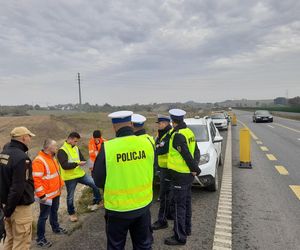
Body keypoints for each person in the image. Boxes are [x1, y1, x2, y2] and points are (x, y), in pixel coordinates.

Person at [93, 111, 154, 250]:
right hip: (143, 206)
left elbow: (98, 180)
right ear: (131, 124)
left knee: (116, 246)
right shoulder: (147, 143)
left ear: (114, 127)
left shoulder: (108, 147)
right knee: (144, 245)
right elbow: (152, 167)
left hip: (117, 209)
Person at [164, 109, 201, 246]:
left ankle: (180, 237)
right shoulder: (189, 132)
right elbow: (196, 151)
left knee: (179, 206)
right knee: (186, 203)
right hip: (187, 176)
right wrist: (193, 169)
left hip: (180, 176)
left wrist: (195, 170)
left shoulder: (178, 135)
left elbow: (186, 154)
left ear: (172, 121)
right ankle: (187, 229)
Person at [0, 126, 35, 250]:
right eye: (29, 136)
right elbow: (18, 187)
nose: (30, 138)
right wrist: (9, 210)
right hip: (18, 208)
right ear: (23, 137)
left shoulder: (3, 153)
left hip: (6, 204)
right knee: (21, 242)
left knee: (9, 240)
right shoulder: (21, 158)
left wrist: (5, 208)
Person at [57, 132, 102, 222]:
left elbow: (82, 159)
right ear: (69, 139)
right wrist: (77, 163)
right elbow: (64, 165)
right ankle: (71, 213)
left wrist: (85, 162)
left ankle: (98, 201)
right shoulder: (62, 150)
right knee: (70, 196)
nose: (76, 143)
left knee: (95, 184)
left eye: (77, 141)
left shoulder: (76, 148)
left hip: (80, 174)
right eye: (75, 141)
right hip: (70, 177)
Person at [32, 139, 67, 248]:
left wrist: (61, 184)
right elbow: (36, 180)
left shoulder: (52, 158)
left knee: (54, 211)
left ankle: (56, 228)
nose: (57, 148)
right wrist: (42, 195)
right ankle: (40, 238)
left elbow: (56, 174)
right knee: (43, 216)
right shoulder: (39, 160)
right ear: (48, 147)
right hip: (46, 196)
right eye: (55, 146)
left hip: (55, 192)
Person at [151, 114, 173, 230]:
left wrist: (158, 146)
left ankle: (162, 220)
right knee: (169, 194)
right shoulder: (162, 133)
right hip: (163, 168)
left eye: (159, 123)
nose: (158, 125)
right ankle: (169, 214)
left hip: (167, 169)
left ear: (165, 123)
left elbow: (160, 149)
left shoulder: (168, 134)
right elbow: (157, 146)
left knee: (164, 195)